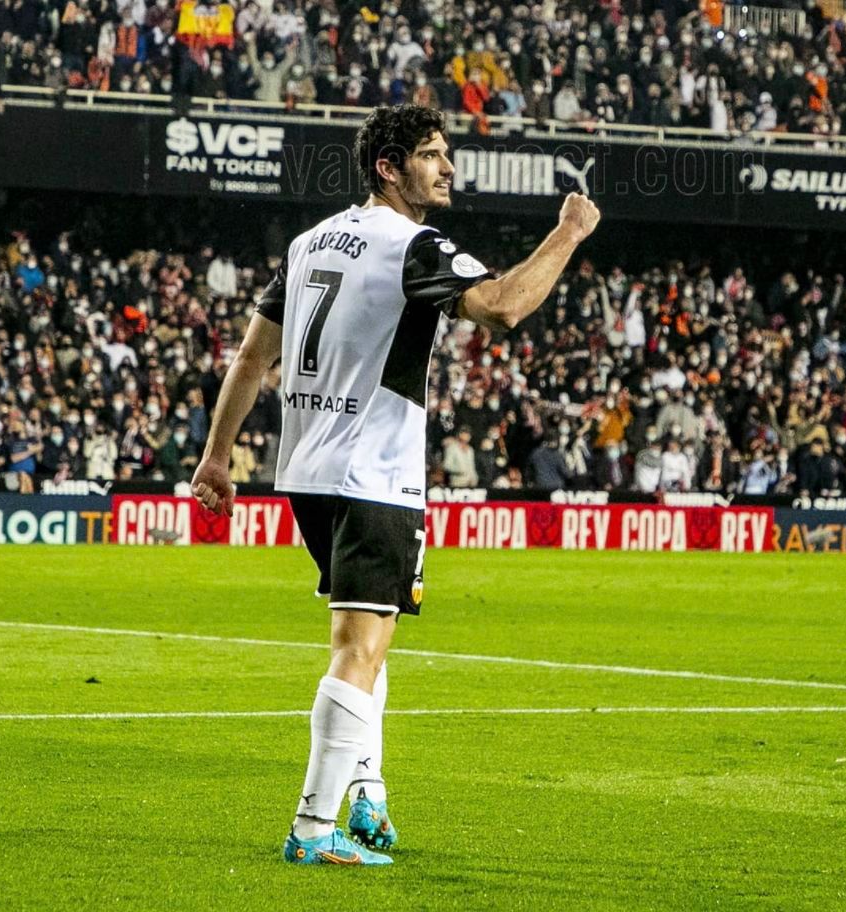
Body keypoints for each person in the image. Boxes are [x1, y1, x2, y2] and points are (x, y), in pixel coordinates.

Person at [189, 104, 600, 867]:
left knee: (365, 643)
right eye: (433, 155)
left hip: (307, 473)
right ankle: (314, 830)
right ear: (389, 167)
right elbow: (504, 308)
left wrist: (217, 457)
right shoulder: (413, 245)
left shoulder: (311, 242)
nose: (448, 168)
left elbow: (251, 360)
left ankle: (369, 793)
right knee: (359, 648)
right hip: (374, 472)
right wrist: (569, 232)